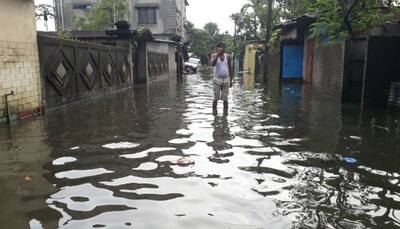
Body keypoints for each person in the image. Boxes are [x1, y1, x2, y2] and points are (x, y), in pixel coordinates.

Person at [210, 42, 233, 115]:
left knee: (225, 99)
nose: (221, 48)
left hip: (226, 79)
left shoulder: (228, 56)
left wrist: (231, 80)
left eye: (222, 47)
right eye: (219, 47)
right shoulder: (214, 55)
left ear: (224, 48)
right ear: (216, 48)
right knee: (215, 98)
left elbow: (230, 68)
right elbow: (212, 64)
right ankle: (214, 115)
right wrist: (217, 54)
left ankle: (225, 115)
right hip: (217, 79)